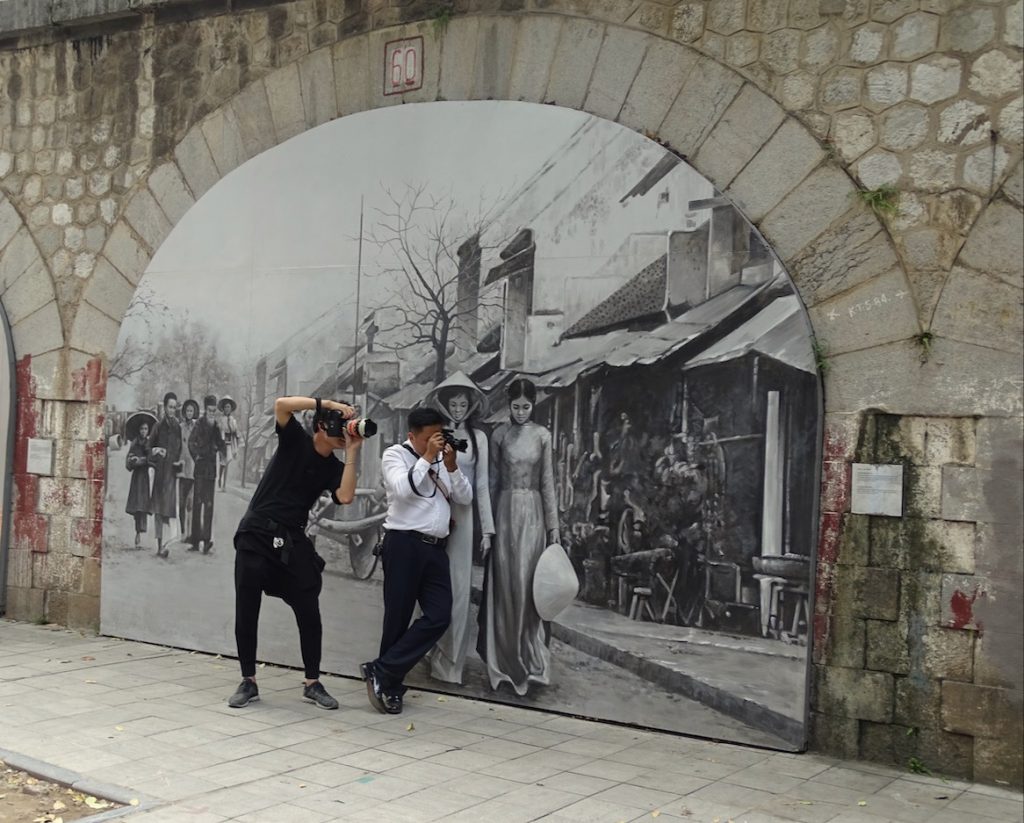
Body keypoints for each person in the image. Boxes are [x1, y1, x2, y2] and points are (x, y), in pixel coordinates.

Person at [228, 396, 362, 710]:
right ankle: (248, 680)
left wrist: (354, 449)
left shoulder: (334, 467)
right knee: (247, 606)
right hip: (257, 532)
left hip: (291, 540)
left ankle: (312, 683)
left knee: (308, 607)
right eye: (340, 424)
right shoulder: (295, 441)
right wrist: (327, 403)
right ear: (321, 425)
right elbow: (281, 404)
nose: (345, 430)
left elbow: (345, 495)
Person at [361, 407, 472, 714]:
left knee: (439, 615)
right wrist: (426, 459)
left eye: (439, 435)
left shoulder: (441, 460)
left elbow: (464, 497)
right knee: (397, 618)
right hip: (404, 545)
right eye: (429, 438)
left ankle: (381, 670)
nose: (435, 443)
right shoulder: (394, 454)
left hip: (436, 550)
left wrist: (451, 466)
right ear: (412, 436)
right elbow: (402, 490)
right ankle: (390, 688)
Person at [478, 377, 560, 696]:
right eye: (516, 407)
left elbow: (549, 482)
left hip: (535, 514)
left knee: (529, 587)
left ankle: (532, 662)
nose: (522, 412)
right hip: (505, 511)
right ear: (508, 406)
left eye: (526, 407)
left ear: (533, 405)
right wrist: (489, 528)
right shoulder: (499, 435)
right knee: (506, 587)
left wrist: (554, 528)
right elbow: (493, 482)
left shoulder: (543, 436)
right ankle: (506, 664)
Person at [423, 372, 494, 685]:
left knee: (460, 587)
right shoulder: (435, 435)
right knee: (432, 583)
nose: (458, 409)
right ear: (444, 403)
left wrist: (488, 530)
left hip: (463, 520)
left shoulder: (479, 439)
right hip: (436, 513)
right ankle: (432, 651)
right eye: (453, 403)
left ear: (471, 405)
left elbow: (482, 485)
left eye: (463, 403)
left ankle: (452, 663)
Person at [188, 395, 225, 554]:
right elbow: (191, 442)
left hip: (211, 471)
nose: (211, 413)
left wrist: (223, 449)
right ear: (205, 409)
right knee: (197, 504)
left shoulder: (216, 426)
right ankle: (196, 541)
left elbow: (221, 443)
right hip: (200, 469)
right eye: (209, 410)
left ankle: (207, 540)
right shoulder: (199, 424)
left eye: (214, 410)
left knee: (209, 505)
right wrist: (196, 455)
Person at [149, 392, 182, 558]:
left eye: (175, 407)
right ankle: (160, 545)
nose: (172, 410)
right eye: (170, 407)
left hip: (172, 473)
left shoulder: (177, 426)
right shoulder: (158, 426)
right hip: (161, 473)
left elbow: (180, 448)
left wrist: (178, 461)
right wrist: (157, 451)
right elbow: (149, 448)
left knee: (169, 509)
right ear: (165, 407)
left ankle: (168, 543)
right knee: (159, 510)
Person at [125, 414, 155, 549]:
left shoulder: (149, 443)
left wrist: (142, 460)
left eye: (146, 429)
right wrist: (132, 461)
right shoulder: (135, 443)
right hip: (137, 479)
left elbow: (151, 460)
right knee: (137, 507)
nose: (144, 431)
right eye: (142, 429)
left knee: (143, 506)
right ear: (139, 430)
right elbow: (128, 463)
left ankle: (142, 534)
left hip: (145, 478)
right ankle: (137, 533)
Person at [177, 399, 199, 541]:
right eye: (187, 411)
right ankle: (183, 531)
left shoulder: (197, 427)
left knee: (191, 503)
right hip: (181, 467)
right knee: (181, 503)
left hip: (193, 468)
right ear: (184, 412)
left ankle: (190, 533)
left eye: (191, 411)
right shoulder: (180, 427)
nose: (189, 413)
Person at [218, 396, 240, 492]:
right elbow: (219, 431)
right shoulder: (221, 419)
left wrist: (236, 447)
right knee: (222, 464)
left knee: (227, 464)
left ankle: (224, 485)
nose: (227, 409)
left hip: (229, 444)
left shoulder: (233, 420)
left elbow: (235, 433)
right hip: (222, 443)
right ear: (223, 408)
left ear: (231, 409)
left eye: (229, 407)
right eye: (226, 407)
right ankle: (219, 478)